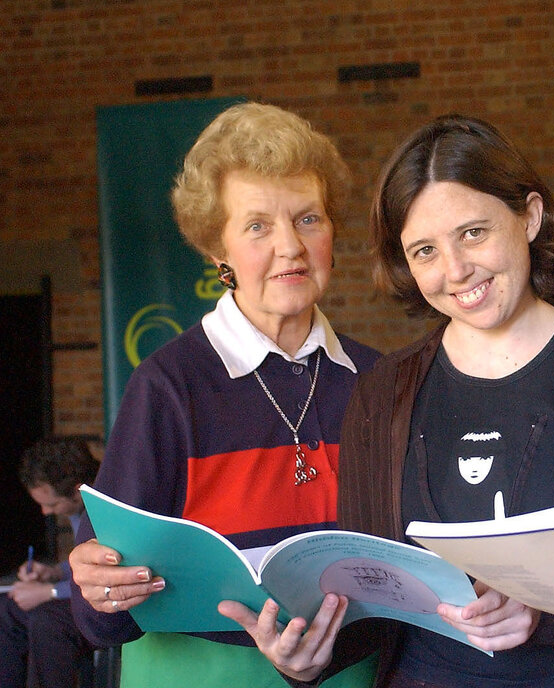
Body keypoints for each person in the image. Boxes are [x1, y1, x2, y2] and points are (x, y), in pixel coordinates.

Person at [221, 114, 554, 687]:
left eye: (474, 233)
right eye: (425, 250)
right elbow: (368, 605)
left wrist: (542, 608)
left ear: (530, 217)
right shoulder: (382, 392)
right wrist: (308, 659)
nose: (455, 271)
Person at [67, 102, 381, 688]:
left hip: (351, 673)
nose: (290, 246)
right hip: (199, 675)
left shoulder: (379, 381)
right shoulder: (167, 385)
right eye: (258, 225)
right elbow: (98, 614)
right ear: (220, 255)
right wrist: (99, 585)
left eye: (309, 219)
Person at [0, 436, 100, 688]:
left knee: (48, 621)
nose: (45, 512)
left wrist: (49, 592)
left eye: (51, 504)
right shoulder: (78, 507)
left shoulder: (105, 509)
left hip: (110, 607)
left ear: (77, 490)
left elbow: (107, 573)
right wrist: (55, 572)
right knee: (6, 611)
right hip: (84, 597)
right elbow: (86, 562)